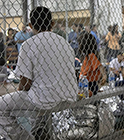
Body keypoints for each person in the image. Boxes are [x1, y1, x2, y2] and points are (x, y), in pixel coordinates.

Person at [0, 6, 78, 140]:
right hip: (69, 96)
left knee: (3, 105)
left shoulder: (28, 44)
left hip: (45, 100)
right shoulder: (65, 43)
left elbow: (25, 84)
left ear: (30, 25)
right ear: (52, 24)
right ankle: (40, 133)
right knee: (36, 96)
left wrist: (20, 94)